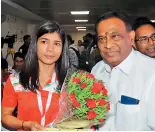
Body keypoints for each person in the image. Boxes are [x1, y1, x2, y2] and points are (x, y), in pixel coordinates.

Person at [91, 11, 155, 130]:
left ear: (131, 38)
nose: (108, 45)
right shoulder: (97, 70)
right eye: (101, 39)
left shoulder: (151, 72)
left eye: (115, 36)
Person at [2, 20, 70, 131]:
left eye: (57, 44)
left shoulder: (70, 83)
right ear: (35, 45)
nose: (50, 49)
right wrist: (25, 124)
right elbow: (5, 116)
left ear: (62, 49)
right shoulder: (16, 80)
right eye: (44, 42)